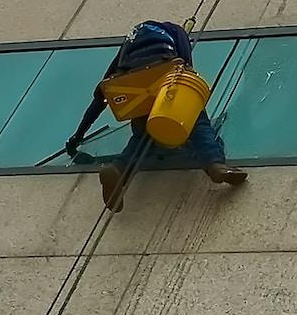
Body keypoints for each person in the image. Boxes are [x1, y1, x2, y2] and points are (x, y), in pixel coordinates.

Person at [66, 19, 246, 212]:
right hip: (164, 72)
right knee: (195, 120)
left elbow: (102, 94)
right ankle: (215, 164)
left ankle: (118, 168)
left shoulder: (129, 43)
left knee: (143, 133)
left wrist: (79, 135)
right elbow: (184, 65)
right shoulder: (175, 30)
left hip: (134, 82)